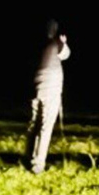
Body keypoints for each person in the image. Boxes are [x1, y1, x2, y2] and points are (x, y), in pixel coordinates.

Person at [25, 19, 71, 174]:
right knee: (45, 126)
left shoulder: (37, 44)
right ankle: (38, 164)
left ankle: (29, 157)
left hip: (36, 86)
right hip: (51, 88)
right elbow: (66, 55)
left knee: (34, 124)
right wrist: (64, 43)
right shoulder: (56, 43)